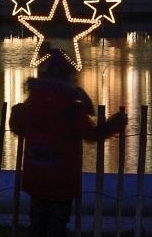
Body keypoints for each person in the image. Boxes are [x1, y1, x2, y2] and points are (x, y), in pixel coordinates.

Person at [8, 51, 127, 235]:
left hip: (36, 175)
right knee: (57, 224)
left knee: (37, 223)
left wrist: (16, 112)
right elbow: (91, 134)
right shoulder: (72, 108)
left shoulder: (31, 105)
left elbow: (16, 126)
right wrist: (114, 124)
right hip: (62, 179)